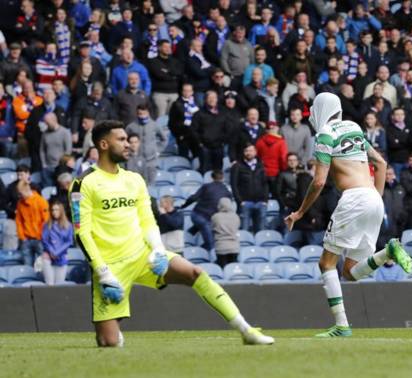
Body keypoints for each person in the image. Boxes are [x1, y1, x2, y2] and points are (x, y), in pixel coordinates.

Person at [69, 120, 273, 347]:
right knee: (109, 343)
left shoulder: (134, 179)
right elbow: (82, 233)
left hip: (142, 255)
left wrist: (157, 250)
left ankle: (246, 331)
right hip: (110, 267)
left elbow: (147, 220)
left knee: (195, 272)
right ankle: (114, 331)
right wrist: (103, 272)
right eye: (122, 140)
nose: (128, 144)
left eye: (128, 139)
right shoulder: (83, 183)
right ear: (104, 144)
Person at [284, 93, 412, 338]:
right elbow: (382, 163)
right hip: (374, 197)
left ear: (321, 109)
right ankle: (389, 251)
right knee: (350, 273)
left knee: (326, 264)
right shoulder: (353, 128)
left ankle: (342, 326)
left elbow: (319, 181)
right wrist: (377, 198)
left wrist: (300, 212)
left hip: (353, 199)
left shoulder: (325, 135)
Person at [180, 170, 232, 251]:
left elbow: (193, 198)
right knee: (210, 244)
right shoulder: (226, 191)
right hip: (204, 218)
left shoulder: (207, 186)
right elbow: (228, 204)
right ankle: (194, 247)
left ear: (212, 177)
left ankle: (189, 239)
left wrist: (183, 206)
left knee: (200, 228)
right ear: (223, 178)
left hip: (198, 215)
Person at [230, 144, 269, 233]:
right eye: (246, 151)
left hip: (260, 202)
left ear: (255, 152)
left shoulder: (261, 166)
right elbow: (234, 185)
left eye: (251, 151)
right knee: (245, 230)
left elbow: (265, 184)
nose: (248, 153)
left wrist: (265, 201)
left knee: (261, 231)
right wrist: (240, 201)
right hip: (245, 203)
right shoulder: (237, 166)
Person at [125, 105, 167, 185]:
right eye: (140, 114)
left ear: (148, 113)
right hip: (136, 160)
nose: (142, 115)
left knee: (150, 183)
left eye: (144, 113)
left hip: (151, 160)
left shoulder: (154, 125)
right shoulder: (131, 126)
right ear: (137, 114)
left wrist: (158, 150)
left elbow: (164, 139)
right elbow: (124, 140)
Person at [16, 180, 49, 266]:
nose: (19, 196)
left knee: (40, 266)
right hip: (26, 239)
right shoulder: (20, 203)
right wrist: (22, 236)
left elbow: (46, 221)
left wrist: (40, 235)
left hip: (40, 239)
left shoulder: (41, 201)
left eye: (20, 193)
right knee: (27, 264)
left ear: (26, 190)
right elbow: (19, 221)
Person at [41, 200, 73, 285]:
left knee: (59, 285)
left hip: (62, 256)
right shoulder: (47, 224)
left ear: (61, 211)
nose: (54, 212)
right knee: (49, 284)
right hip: (48, 256)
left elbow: (69, 241)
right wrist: (52, 252)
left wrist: (57, 252)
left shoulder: (68, 225)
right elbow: (44, 240)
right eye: (52, 210)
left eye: (57, 210)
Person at [211, 197, 240, 268]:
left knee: (223, 269)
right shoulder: (235, 216)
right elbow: (237, 227)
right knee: (232, 270)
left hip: (221, 247)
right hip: (234, 247)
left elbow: (212, 228)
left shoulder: (215, 217)